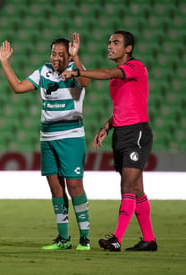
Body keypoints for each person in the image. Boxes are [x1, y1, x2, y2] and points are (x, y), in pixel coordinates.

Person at [62, 30, 157, 252]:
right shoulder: (117, 81)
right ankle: (149, 240)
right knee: (137, 190)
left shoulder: (136, 67)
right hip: (121, 133)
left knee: (126, 186)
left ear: (129, 48)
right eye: (109, 42)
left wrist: (75, 69)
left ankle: (117, 239)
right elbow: (125, 108)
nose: (110, 46)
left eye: (116, 43)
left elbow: (105, 73)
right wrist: (107, 126)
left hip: (137, 134)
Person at [0, 33, 91, 251]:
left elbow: (86, 81)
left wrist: (76, 59)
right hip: (47, 136)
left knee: (74, 185)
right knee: (55, 187)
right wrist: (4, 63)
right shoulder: (44, 71)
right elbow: (18, 87)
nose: (57, 58)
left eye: (62, 54)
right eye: (53, 53)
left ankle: (85, 238)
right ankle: (64, 238)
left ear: (69, 56)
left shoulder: (76, 70)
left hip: (71, 136)